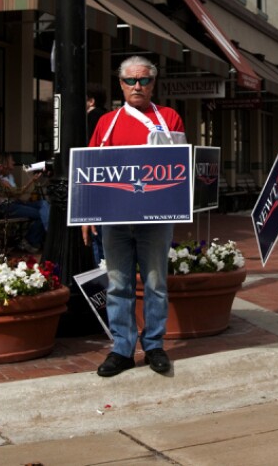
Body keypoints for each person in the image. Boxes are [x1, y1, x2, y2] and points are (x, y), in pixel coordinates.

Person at [84, 55, 186, 377]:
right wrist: (87, 213)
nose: (137, 86)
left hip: (155, 220)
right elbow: (90, 171)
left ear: (153, 83)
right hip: (114, 218)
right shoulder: (106, 123)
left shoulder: (170, 118)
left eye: (143, 80)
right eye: (130, 80)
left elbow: (178, 170)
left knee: (155, 283)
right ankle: (122, 349)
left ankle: (154, 345)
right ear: (121, 84)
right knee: (118, 284)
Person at [0, 152, 50, 253]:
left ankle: (46, 232)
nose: (14, 162)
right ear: (6, 163)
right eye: (12, 160)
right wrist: (31, 181)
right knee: (41, 214)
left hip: (15, 203)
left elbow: (16, 195)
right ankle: (31, 240)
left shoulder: (10, 176)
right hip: (6, 207)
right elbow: (17, 192)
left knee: (43, 204)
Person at [86, 82, 109, 265]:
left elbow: (87, 154)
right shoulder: (110, 117)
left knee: (95, 236)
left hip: (95, 183)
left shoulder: (92, 119)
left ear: (91, 101)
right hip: (111, 183)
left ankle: (100, 279)